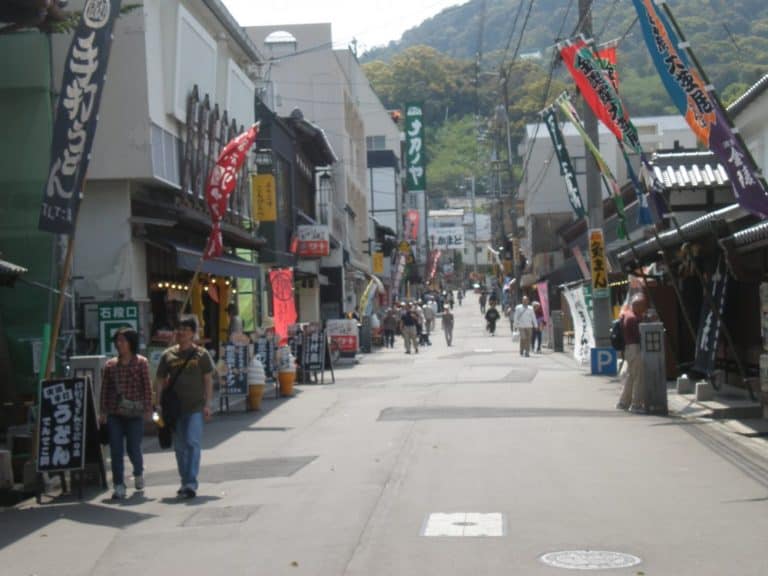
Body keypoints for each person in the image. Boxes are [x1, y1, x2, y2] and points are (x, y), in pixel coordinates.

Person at [156, 317, 215, 499]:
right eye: (179, 329)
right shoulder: (168, 355)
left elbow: (208, 379)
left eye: (186, 329)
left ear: (192, 333)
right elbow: (159, 380)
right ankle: (185, 480)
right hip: (174, 409)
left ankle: (191, 482)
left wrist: (207, 404)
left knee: (192, 442)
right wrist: (157, 403)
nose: (181, 332)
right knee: (180, 447)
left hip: (195, 407)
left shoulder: (201, 355)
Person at [100, 327, 152, 500]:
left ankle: (138, 473)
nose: (119, 344)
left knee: (133, 448)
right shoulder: (110, 365)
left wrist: (148, 408)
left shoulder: (141, 362)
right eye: (118, 341)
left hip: (134, 412)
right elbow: (105, 390)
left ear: (131, 343)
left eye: (123, 340)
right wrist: (103, 411)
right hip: (115, 412)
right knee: (116, 449)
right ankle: (119, 485)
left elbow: (147, 387)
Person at [617, 294, 648, 413]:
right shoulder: (633, 319)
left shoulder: (626, 315)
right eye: (643, 306)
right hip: (635, 348)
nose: (644, 308)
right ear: (637, 306)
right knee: (639, 378)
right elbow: (639, 336)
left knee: (631, 377)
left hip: (628, 348)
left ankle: (624, 402)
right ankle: (636, 405)